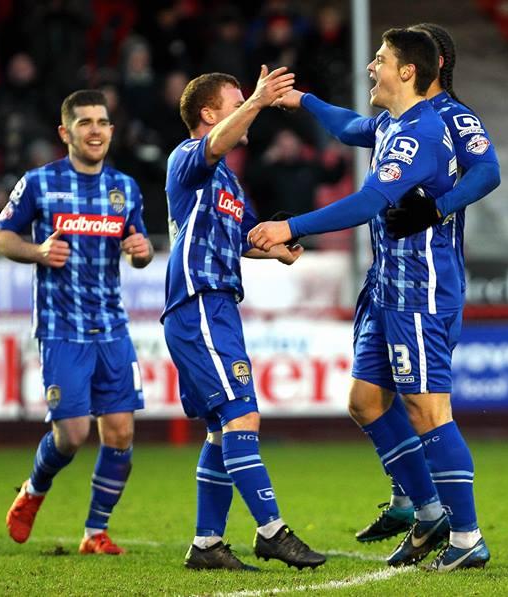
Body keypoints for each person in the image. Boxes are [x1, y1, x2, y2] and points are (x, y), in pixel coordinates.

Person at [249, 27, 491, 572]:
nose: (370, 67)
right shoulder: (391, 123)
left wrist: (292, 225)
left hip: (420, 290)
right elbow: (350, 126)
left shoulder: (427, 131)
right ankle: (428, 512)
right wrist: (303, 100)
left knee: (429, 410)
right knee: (365, 402)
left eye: (380, 59)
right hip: (386, 286)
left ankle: (467, 537)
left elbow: (369, 202)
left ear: (410, 71)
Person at [162, 67, 326, 571]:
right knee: (242, 416)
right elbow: (214, 145)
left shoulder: (229, 181)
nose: (249, 108)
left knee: (220, 427)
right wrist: (256, 100)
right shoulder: (189, 158)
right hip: (198, 301)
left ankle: (207, 545)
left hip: (216, 306)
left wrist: (274, 250)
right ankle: (271, 531)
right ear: (211, 114)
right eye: (236, 102)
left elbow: (244, 237)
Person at [0, 89, 154, 555]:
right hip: (61, 326)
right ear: (65, 132)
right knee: (72, 435)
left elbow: (137, 246)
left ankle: (95, 532)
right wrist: (38, 251)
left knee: (121, 431)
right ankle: (33, 491)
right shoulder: (39, 183)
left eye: (102, 122)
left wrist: (142, 253)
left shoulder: (125, 187)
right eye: (85, 123)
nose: (96, 131)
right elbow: (1, 237)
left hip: (112, 326)